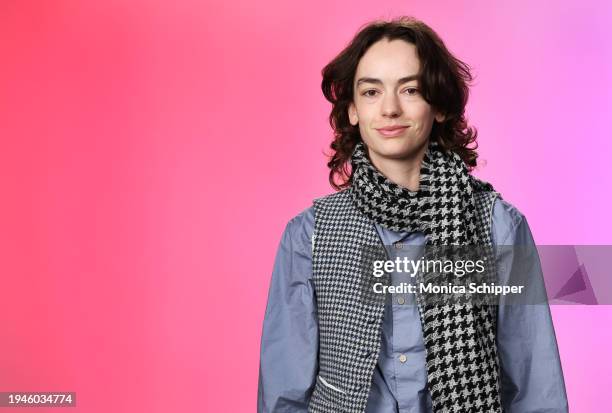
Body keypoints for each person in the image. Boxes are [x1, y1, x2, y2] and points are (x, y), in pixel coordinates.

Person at [257, 16, 568, 413]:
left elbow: (534, 385)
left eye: (411, 89)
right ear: (352, 110)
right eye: (371, 92)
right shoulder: (309, 234)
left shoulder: (498, 226)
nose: (389, 108)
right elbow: (284, 394)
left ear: (438, 107)